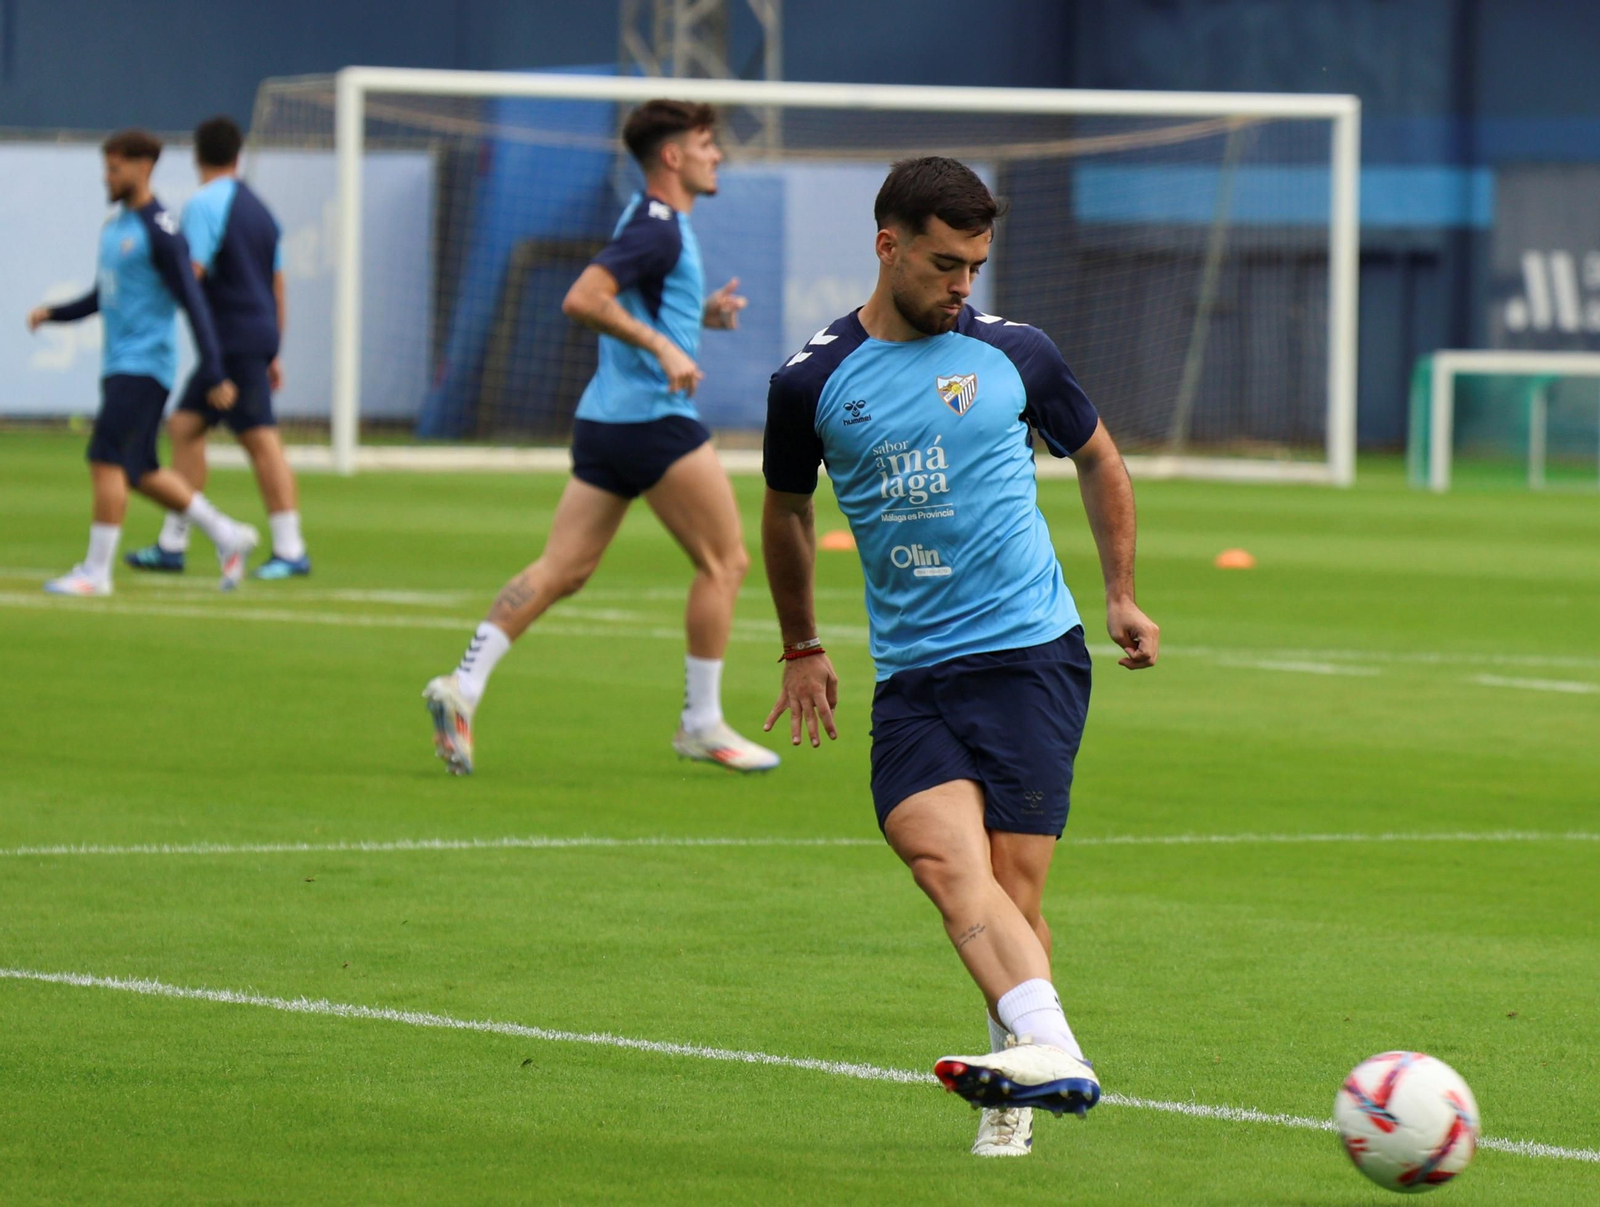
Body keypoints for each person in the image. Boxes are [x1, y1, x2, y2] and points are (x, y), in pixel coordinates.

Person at [760, 157, 1160, 1157]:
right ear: (886, 244)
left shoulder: (1017, 355)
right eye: (944, 264)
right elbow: (785, 513)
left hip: (1029, 658)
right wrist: (800, 644)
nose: (961, 286)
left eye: (975, 266)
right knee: (944, 863)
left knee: (1013, 892)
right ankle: (1052, 1049)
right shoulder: (807, 383)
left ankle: (1017, 1089)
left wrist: (1117, 591)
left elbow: (1101, 459)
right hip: (910, 676)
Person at [421, 99, 779, 776]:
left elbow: (638, 301)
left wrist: (696, 319)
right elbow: (584, 298)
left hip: (605, 421)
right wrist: (667, 351)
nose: (718, 155)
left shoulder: (649, 223)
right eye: (706, 143)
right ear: (672, 156)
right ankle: (701, 722)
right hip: (652, 419)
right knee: (725, 561)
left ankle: (462, 685)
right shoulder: (660, 228)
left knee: (563, 569)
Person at [27, 129, 256, 595]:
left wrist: (213, 369)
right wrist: (53, 314)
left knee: (104, 456)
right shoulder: (116, 229)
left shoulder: (161, 230)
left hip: (146, 364)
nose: (107, 179)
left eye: (114, 169)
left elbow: (193, 301)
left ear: (142, 167)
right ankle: (227, 535)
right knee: (139, 471)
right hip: (119, 364)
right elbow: (102, 295)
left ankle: (96, 572)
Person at [123, 115, 308, 579]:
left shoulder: (204, 204)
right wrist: (275, 350)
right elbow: (278, 286)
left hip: (230, 340)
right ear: (237, 154)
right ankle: (174, 542)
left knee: (260, 439)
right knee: (186, 426)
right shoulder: (262, 211)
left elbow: (194, 273)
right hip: (254, 335)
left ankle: (290, 548)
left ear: (196, 156)